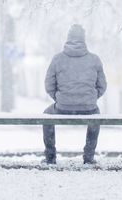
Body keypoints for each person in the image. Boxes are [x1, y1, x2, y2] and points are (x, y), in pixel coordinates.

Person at [42, 24, 107, 165]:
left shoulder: (57, 58)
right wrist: (90, 98)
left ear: (68, 38)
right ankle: (89, 157)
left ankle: (50, 157)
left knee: (46, 115)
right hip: (89, 108)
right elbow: (102, 86)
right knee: (96, 115)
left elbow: (49, 85)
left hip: (62, 107)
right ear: (84, 39)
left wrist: (60, 98)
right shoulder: (94, 59)